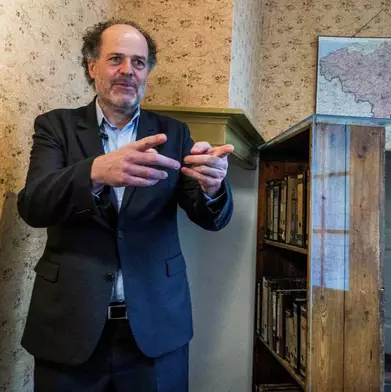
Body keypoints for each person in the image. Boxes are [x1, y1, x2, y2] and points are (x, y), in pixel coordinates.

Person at [16, 19, 234, 391]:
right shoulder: (56, 127)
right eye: (115, 58)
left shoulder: (174, 133)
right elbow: (33, 205)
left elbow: (208, 217)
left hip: (155, 330)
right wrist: (95, 171)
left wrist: (214, 187)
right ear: (92, 66)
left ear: (147, 71)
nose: (127, 71)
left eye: (138, 62)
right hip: (70, 328)